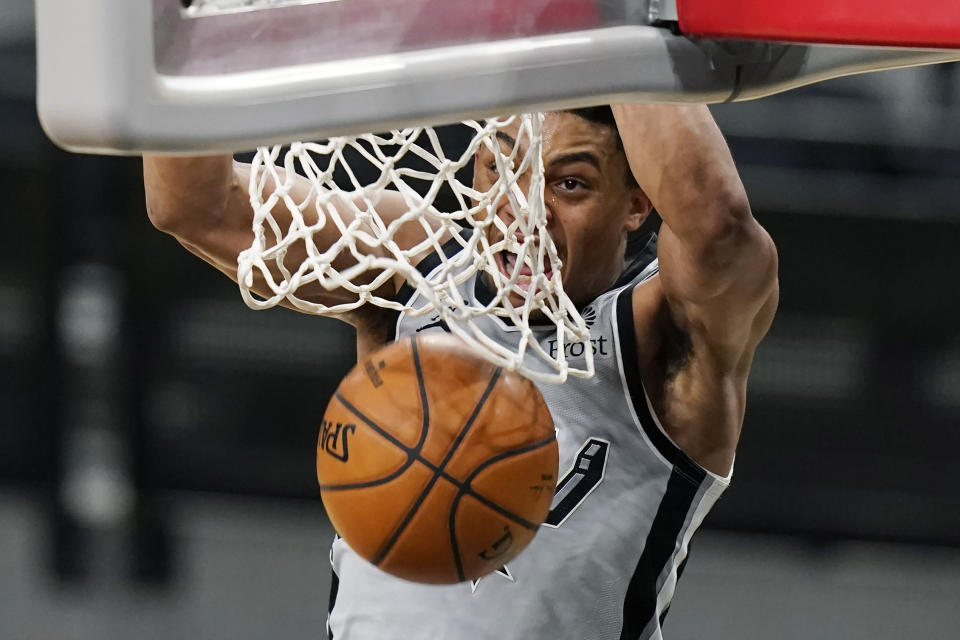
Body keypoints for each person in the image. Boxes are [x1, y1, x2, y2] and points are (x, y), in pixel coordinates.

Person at [143, 104, 778, 639]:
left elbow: (719, 225)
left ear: (637, 204)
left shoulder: (660, 333)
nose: (524, 210)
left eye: (570, 185)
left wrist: (621, 31)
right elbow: (191, 202)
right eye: (499, 168)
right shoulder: (417, 269)